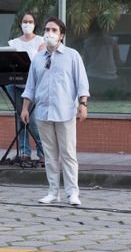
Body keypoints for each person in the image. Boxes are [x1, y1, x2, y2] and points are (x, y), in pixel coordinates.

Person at [21, 17, 90, 206]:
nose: (49, 33)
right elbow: (30, 87)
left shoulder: (72, 55)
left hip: (65, 112)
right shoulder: (38, 58)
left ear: (61, 35)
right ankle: (53, 192)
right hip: (43, 113)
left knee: (68, 154)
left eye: (54, 30)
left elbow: (82, 83)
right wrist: (25, 108)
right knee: (50, 155)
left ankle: (72, 193)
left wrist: (82, 104)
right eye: (47, 29)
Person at [7, 13, 46, 164]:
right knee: (20, 118)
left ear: (35, 24)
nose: (27, 24)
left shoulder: (42, 41)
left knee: (33, 120)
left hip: (34, 85)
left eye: (30, 21)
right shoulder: (13, 43)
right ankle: (24, 151)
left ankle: (43, 151)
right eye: (25, 21)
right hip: (16, 85)